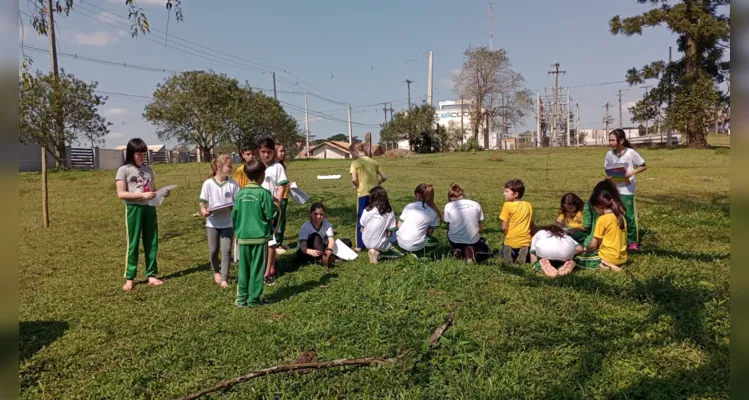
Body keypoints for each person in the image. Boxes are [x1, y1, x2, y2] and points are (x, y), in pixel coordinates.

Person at [115, 138, 169, 292]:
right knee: (133, 243)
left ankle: (151, 275)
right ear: (131, 153)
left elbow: (153, 190)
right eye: (139, 154)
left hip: (149, 209)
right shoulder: (123, 170)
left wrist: (162, 193)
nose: (142, 157)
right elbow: (121, 194)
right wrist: (141, 197)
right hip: (133, 209)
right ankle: (130, 278)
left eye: (144, 154)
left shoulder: (148, 170)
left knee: (151, 241)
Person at [231, 159, 277, 307]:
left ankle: (241, 299)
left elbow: (234, 215)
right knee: (257, 269)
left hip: (243, 237)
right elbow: (270, 214)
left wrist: (238, 230)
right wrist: (275, 208)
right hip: (259, 238)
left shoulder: (240, 193)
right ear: (262, 175)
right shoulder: (264, 193)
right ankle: (254, 300)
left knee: (243, 269)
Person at [199, 154, 239, 288]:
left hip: (228, 223)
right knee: (213, 250)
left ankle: (224, 278)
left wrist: (232, 206)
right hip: (212, 223)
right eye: (229, 166)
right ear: (219, 167)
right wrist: (204, 210)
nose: (231, 168)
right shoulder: (208, 183)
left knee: (226, 249)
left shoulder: (233, 184)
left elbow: (237, 203)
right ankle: (215, 271)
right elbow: (202, 202)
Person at [605, 128, 648, 250]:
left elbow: (643, 166)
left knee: (628, 215)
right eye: (610, 140)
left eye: (613, 140)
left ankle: (632, 241)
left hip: (627, 189)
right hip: (614, 188)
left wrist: (631, 172)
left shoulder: (630, 153)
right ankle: (618, 238)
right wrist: (609, 175)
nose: (611, 142)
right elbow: (607, 168)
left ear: (621, 140)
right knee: (614, 214)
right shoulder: (609, 154)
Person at [258, 137, 288, 285]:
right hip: (257, 210)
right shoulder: (256, 166)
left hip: (271, 209)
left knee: (271, 240)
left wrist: (277, 203)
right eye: (263, 152)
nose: (265, 155)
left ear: (273, 152)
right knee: (259, 240)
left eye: (268, 152)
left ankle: (268, 271)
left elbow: (282, 186)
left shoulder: (277, 167)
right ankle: (261, 267)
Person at [350, 142, 387, 252]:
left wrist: (356, 185)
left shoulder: (355, 163)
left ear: (355, 151)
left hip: (363, 193)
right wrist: (377, 184)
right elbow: (384, 176)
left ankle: (360, 245)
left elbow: (353, 179)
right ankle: (377, 241)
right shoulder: (373, 161)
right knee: (376, 217)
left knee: (361, 218)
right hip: (375, 194)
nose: (352, 156)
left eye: (351, 153)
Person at [585, 184, 629, 271]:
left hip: (608, 257)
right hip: (622, 258)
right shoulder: (621, 217)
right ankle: (614, 265)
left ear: (599, 206)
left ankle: (608, 264)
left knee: (576, 259)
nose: (596, 212)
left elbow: (593, 245)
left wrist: (585, 251)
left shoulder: (602, 219)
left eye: (595, 209)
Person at [444, 183, 491, 263]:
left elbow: (449, 227)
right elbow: (480, 228)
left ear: (450, 198)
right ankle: (469, 249)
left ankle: (458, 249)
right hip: (472, 239)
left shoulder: (448, 206)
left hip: (455, 239)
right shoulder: (476, 204)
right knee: (480, 244)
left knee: (450, 233)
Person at [395, 183, 442, 258]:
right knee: (434, 242)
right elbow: (429, 233)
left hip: (401, 242)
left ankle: (401, 251)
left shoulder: (409, 206)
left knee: (393, 231)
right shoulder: (434, 212)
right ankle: (418, 253)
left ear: (417, 194)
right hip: (417, 244)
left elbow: (399, 225)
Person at [360, 186, 404, 263]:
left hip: (365, 242)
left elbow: (362, 229)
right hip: (380, 243)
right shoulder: (388, 212)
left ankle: (372, 250)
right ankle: (379, 253)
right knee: (401, 253)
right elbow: (389, 233)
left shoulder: (366, 210)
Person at [500, 179, 534, 264]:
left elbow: (504, 226)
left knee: (505, 248)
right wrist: (532, 235)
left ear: (515, 194)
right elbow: (531, 223)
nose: (504, 194)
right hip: (526, 240)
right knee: (525, 247)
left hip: (512, 240)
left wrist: (506, 233)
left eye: (506, 191)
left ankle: (508, 254)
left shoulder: (507, 205)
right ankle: (523, 252)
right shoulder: (528, 205)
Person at [296, 202, 337, 268]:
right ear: (310, 214)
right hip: (304, 252)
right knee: (316, 236)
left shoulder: (327, 224)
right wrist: (310, 251)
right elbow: (303, 247)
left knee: (347, 242)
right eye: (315, 214)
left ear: (324, 215)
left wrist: (329, 249)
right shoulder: (305, 227)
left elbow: (331, 240)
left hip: (320, 248)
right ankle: (324, 259)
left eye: (321, 214)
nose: (318, 216)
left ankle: (326, 257)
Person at [274, 143, 291, 255]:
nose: (283, 153)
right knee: (277, 222)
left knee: (282, 221)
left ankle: (280, 243)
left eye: (284, 151)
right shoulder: (273, 167)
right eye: (281, 151)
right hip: (277, 198)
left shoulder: (281, 166)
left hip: (284, 197)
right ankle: (275, 244)